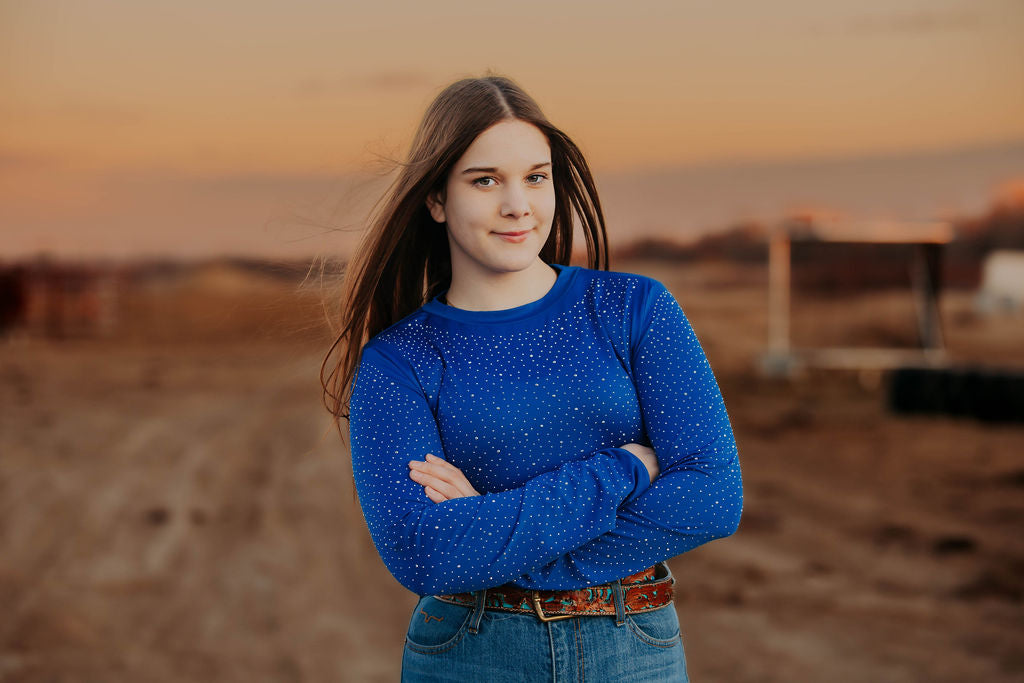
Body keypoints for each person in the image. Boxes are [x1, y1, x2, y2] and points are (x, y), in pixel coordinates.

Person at [321, 73, 743, 682]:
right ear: (437, 199)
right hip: (472, 653)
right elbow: (424, 549)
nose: (518, 204)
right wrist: (624, 468)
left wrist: (493, 535)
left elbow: (712, 498)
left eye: (535, 177)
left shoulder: (635, 309)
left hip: (632, 651)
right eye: (486, 180)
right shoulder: (399, 360)